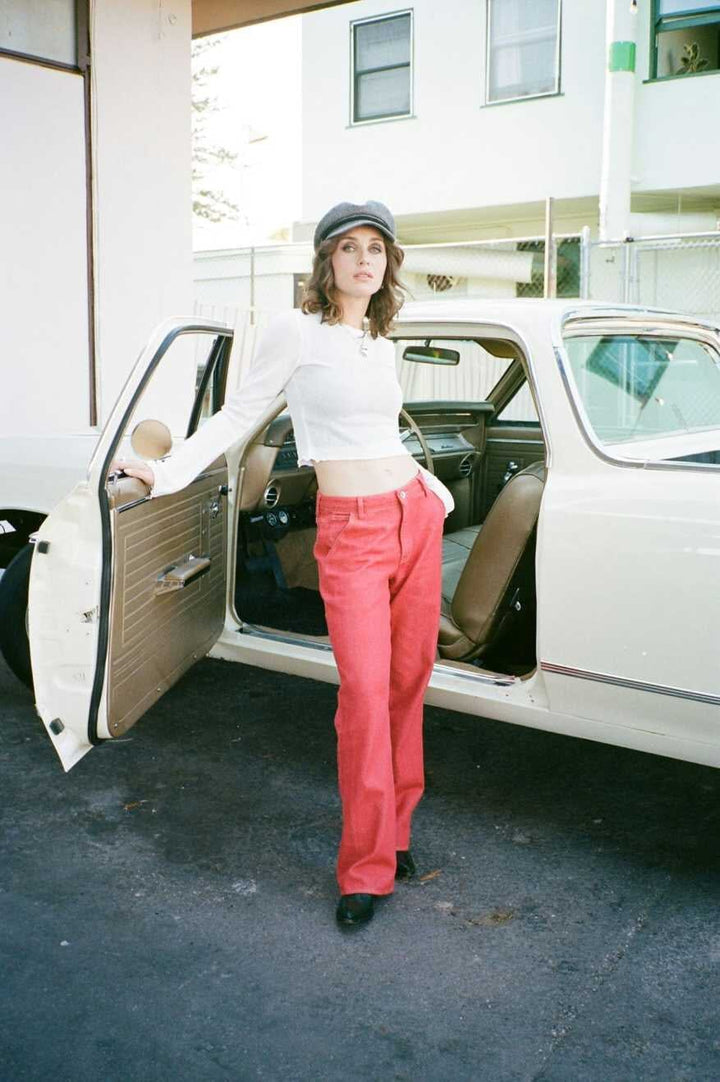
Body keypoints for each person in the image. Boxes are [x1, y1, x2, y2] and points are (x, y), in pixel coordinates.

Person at [115, 199, 454, 927]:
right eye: (349, 247)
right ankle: (365, 869)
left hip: (414, 515)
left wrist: (429, 488)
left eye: (376, 248)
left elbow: (378, 431)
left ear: (388, 263)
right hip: (352, 530)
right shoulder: (294, 331)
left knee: (407, 683)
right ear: (326, 260)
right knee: (364, 694)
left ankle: (395, 834)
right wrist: (165, 473)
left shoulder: (379, 340)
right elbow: (239, 415)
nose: (364, 260)